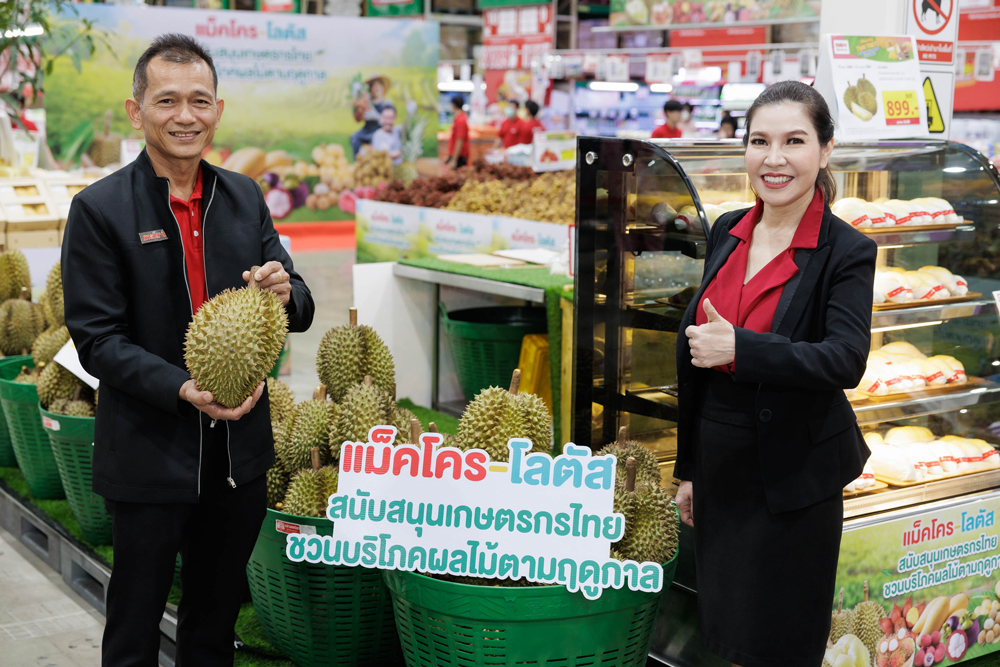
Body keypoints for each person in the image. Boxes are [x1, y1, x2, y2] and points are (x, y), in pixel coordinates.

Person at [61, 34, 315, 666]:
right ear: (136, 110)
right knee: (134, 629)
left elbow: (300, 301)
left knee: (212, 628)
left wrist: (287, 292)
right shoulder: (99, 210)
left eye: (199, 100)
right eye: (167, 100)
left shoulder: (243, 197)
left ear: (218, 111)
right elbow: (96, 341)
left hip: (238, 459)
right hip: (151, 452)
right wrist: (181, 388)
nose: (184, 115)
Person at [674, 80, 876, 667]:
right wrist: (690, 469)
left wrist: (743, 347)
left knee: (782, 644)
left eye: (795, 140)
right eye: (760, 141)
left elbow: (845, 358)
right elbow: (698, 365)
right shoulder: (728, 229)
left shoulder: (846, 250)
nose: (775, 157)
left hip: (794, 482)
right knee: (728, 635)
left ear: (826, 149)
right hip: (722, 473)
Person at [350, 74, 391, 158]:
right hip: (366, 131)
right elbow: (358, 119)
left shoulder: (387, 103)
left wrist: (377, 117)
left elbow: (390, 121)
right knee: (354, 138)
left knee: (376, 141)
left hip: (379, 131)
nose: (376, 88)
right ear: (370, 89)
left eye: (378, 85)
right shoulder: (366, 101)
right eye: (373, 86)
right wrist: (356, 107)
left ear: (382, 87)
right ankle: (358, 164)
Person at [444, 94, 470, 169]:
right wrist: (450, 157)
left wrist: (454, 160)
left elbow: (459, 141)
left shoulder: (461, 120)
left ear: (454, 105)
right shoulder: (458, 118)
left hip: (460, 156)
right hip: (457, 155)